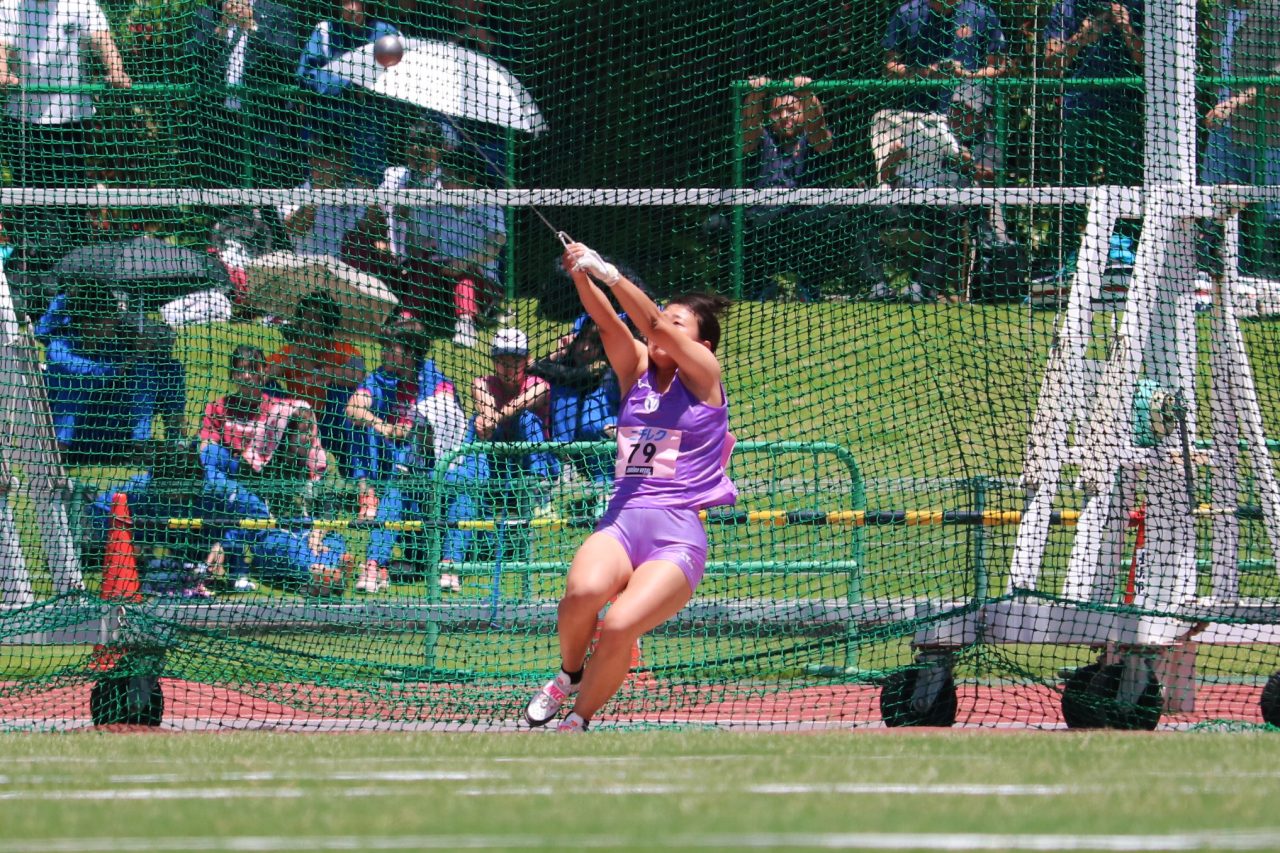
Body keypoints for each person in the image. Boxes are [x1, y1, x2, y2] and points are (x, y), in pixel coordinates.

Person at [523, 243, 736, 733]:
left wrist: (612, 274)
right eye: (665, 317)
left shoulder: (705, 376)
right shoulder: (637, 372)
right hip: (622, 520)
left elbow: (653, 326)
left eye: (678, 323)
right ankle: (569, 674)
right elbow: (609, 323)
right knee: (582, 593)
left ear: (701, 346)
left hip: (677, 536)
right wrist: (582, 275)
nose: (662, 324)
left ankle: (578, 721)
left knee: (619, 624)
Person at [0, 0, 131, 272]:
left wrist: (116, 69)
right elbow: (2, 48)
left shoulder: (81, 4)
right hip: (23, 123)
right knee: (32, 206)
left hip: (72, 123)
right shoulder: (10, 5)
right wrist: (4, 72)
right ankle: (36, 289)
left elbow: (102, 39)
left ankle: (73, 287)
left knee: (71, 206)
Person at [739, 75, 890, 301]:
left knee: (847, 214)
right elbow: (748, 130)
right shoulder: (762, 138)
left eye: (791, 110)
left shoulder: (813, 138)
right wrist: (756, 94)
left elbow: (820, 131)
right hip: (763, 219)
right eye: (777, 112)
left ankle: (819, 283)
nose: (784, 117)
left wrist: (807, 94)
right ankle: (758, 284)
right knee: (717, 224)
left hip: (806, 221)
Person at [198, 345, 328, 585]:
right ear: (232, 374)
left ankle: (325, 569)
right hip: (229, 478)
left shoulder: (276, 412)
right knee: (212, 458)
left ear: (264, 372)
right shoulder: (218, 407)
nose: (247, 376)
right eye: (240, 370)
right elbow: (207, 453)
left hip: (258, 481)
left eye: (253, 369)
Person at [872, 84, 996, 301]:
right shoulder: (928, 129)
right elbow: (887, 177)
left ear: (979, 117)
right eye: (955, 108)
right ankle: (878, 285)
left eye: (966, 111)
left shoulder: (988, 140)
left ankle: (920, 287)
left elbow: (991, 175)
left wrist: (965, 163)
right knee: (861, 210)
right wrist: (895, 157)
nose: (957, 115)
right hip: (907, 198)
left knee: (956, 213)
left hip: (945, 208)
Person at [449, 327, 559, 569]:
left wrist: (491, 418)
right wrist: (484, 422)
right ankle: (468, 479)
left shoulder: (539, 385)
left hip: (527, 458)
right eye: (502, 361)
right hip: (495, 459)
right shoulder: (482, 383)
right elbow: (485, 411)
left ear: (526, 360)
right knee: (475, 424)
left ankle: (540, 488)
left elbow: (520, 404)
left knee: (527, 418)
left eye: (515, 361)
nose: (508, 368)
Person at [36, 289, 186, 463]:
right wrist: (125, 364)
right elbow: (87, 373)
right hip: (82, 431)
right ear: (88, 322)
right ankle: (58, 453)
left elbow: (158, 350)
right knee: (75, 390)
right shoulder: (59, 347)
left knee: (166, 368)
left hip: (111, 422)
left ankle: (166, 442)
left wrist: (146, 346)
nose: (117, 320)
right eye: (111, 316)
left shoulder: (113, 342)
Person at [1044, 0, 1143, 249]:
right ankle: (1066, 252)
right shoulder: (1067, 8)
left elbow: (1151, 64)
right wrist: (1082, 38)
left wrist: (1126, 28)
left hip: (1125, 108)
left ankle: (1124, 250)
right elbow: (1051, 66)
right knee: (1072, 186)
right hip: (1079, 109)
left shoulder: (1140, 5)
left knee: (1124, 184)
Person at [191, 0, 306, 188]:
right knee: (225, 196)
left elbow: (288, 60)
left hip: (268, 121)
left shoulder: (279, 13)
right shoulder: (206, 15)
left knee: (270, 193)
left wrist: (253, 28)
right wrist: (221, 29)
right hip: (220, 124)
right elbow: (193, 63)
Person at [1204, 0, 1280, 275]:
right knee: (1212, 200)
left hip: (1268, 129)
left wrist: (1233, 104)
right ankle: (1219, 277)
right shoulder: (1219, 11)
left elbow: (1277, 78)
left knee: (1270, 207)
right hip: (1222, 125)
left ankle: (1270, 281)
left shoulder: (1274, 10)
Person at [409, 149, 508, 346]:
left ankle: (466, 326)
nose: (443, 183)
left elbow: (496, 245)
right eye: (442, 175)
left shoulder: (488, 202)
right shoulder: (436, 202)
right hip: (441, 278)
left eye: (448, 177)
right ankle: (408, 317)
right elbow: (417, 244)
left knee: (466, 275)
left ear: (470, 179)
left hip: (481, 283)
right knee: (424, 268)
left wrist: (463, 263)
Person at [266, 291, 366, 477]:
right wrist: (289, 360)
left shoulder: (340, 349)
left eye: (317, 319)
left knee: (344, 392)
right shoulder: (292, 350)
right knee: (268, 389)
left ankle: (354, 475)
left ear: (328, 324)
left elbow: (359, 374)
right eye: (307, 319)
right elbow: (261, 376)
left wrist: (327, 374)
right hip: (295, 422)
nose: (311, 325)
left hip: (331, 421)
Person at [297, 0, 399, 183]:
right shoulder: (324, 30)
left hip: (370, 125)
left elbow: (400, 75)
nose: (352, 8)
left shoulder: (386, 32)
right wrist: (350, 83)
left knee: (368, 185)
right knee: (322, 183)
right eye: (345, 1)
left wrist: (370, 87)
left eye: (357, 2)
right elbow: (308, 76)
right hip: (327, 123)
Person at [528, 317, 620, 490]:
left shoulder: (604, 365)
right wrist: (557, 354)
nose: (585, 348)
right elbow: (544, 371)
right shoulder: (565, 361)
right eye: (581, 341)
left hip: (601, 438)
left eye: (592, 343)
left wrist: (536, 366)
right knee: (564, 394)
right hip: (567, 442)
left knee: (588, 402)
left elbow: (576, 376)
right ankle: (565, 463)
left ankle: (603, 483)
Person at [882, 0, 1006, 115]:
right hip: (918, 115)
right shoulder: (908, 13)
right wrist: (924, 73)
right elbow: (888, 68)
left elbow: (999, 67)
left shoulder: (981, 13)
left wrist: (966, 75)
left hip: (968, 118)